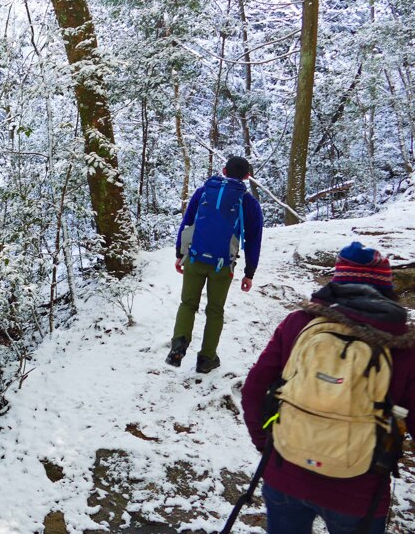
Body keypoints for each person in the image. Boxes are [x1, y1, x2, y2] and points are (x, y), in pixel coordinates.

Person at [240, 243, 415, 534]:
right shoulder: (403, 346)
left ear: (337, 279)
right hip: (359, 489)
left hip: (286, 470)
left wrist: (267, 446)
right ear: (386, 286)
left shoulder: (298, 323)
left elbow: (253, 391)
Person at [166, 155, 263, 373]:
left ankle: (179, 343)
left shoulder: (203, 192)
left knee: (187, 304)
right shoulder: (249, 203)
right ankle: (206, 359)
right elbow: (254, 239)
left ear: (224, 170)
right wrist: (250, 272)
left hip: (195, 257)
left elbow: (187, 222)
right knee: (215, 310)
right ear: (247, 177)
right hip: (223, 265)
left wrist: (180, 254)